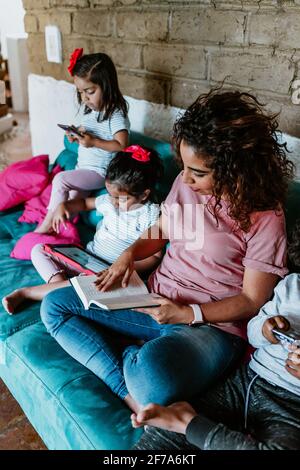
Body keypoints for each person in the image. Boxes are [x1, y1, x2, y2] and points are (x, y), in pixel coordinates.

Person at [39, 89, 293, 415]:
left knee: (153, 382)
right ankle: (127, 387)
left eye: (198, 172)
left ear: (235, 168)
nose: (185, 179)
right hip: (152, 299)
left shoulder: (266, 215)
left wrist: (189, 315)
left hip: (211, 329)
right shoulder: (185, 185)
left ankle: (139, 369)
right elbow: (159, 233)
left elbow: (251, 300)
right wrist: (127, 257)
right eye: (183, 167)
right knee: (55, 306)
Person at [131, 221, 300, 451]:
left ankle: (187, 423)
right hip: (247, 382)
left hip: (291, 406)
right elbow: (253, 331)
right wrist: (265, 329)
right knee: (156, 444)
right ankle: (182, 424)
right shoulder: (292, 286)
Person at [2, 145, 162, 314]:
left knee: (90, 283)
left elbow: (155, 256)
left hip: (108, 273)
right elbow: (85, 203)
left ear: (144, 195)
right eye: (111, 195)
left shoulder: (150, 215)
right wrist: (65, 205)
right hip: (85, 258)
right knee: (38, 250)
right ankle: (61, 289)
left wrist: (123, 269)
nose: (113, 202)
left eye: (121, 199)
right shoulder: (110, 200)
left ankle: (28, 293)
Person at [35, 49, 130, 234]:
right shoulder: (91, 112)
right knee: (68, 202)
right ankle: (57, 232)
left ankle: (44, 227)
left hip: (100, 172)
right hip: (83, 169)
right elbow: (89, 134)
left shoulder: (116, 115)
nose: (85, 98)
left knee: (60, 179)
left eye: (90, 91)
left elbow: (122, 145)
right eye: (80, 92)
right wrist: (76, 135)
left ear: (107, 85)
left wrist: (93, 142)